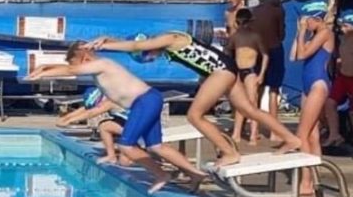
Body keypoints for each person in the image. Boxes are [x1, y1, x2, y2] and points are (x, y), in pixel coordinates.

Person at [84, 26, 302, 167]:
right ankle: (291, 139)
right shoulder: (163, 41)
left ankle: (229, 152)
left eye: (149, 56)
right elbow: (135, 43)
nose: (153, 57)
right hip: (225, 68)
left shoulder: (169, 38)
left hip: (220, 72)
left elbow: (136, 44)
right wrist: (106, 39)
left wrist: (107, 43)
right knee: (249, 110)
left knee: (194, 116)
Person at [27, 42, 209, 194]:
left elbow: (70, 70)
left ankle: (161, 175)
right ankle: (194, 174)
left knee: (126, 145)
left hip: (144, 101)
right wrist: (45, 67)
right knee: (156, 146)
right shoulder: (96, 69)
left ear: (84, 58)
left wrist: (44, 73)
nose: (78, 69)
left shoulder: (103, 63)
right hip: (148, 99)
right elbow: (70, 68)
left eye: (78, 64)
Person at [291, 0, 336, 194]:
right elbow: (293, 55)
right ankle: (313, 180)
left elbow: (302, 55)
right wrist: (299, 32)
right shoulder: (312, 36)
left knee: (301, 134)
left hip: (318, 84)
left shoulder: (325, 33)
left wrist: (302, 32)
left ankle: (306, 183)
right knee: (312, 135)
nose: (305, 24)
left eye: (307, 20)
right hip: (307, 85)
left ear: (315, 18)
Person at [323, 10, 353, 149]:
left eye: (343, 26)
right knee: (329, 103)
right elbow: (342, 57)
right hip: (343, 78)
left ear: (350, 25)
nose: (341, 30)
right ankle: (334, 134)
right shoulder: (345, 39)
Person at [249, 0, 287, 141]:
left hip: (258, 52)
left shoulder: (254, 11)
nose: (280, 0)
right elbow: (281, 34)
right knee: (273, 90)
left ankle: (255, 129)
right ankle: (274, 131)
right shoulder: (278, 10)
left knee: (258, 90)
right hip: (274, 49)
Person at [226, 8, 269, 146]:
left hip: (250, 72)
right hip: (239, 71)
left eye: (244, 23)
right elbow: (228, 50)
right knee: (240, 104)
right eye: (240, 23)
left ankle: (253, 134)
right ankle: (237, 133)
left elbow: (265, 55)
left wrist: (261, 74)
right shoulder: (235, 36)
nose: (242, 26)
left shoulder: (255, 36)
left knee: (252, 104)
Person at [57, 93, 132, 165]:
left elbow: (91, 113)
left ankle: (111, 156)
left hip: (135, 128)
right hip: (133, 126)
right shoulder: (113, 97)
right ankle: (124, 155)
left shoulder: (111, 101)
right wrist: (67, 118)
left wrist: (69, 120)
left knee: (104, 126)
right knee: (125, 160)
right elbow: (86, 109)